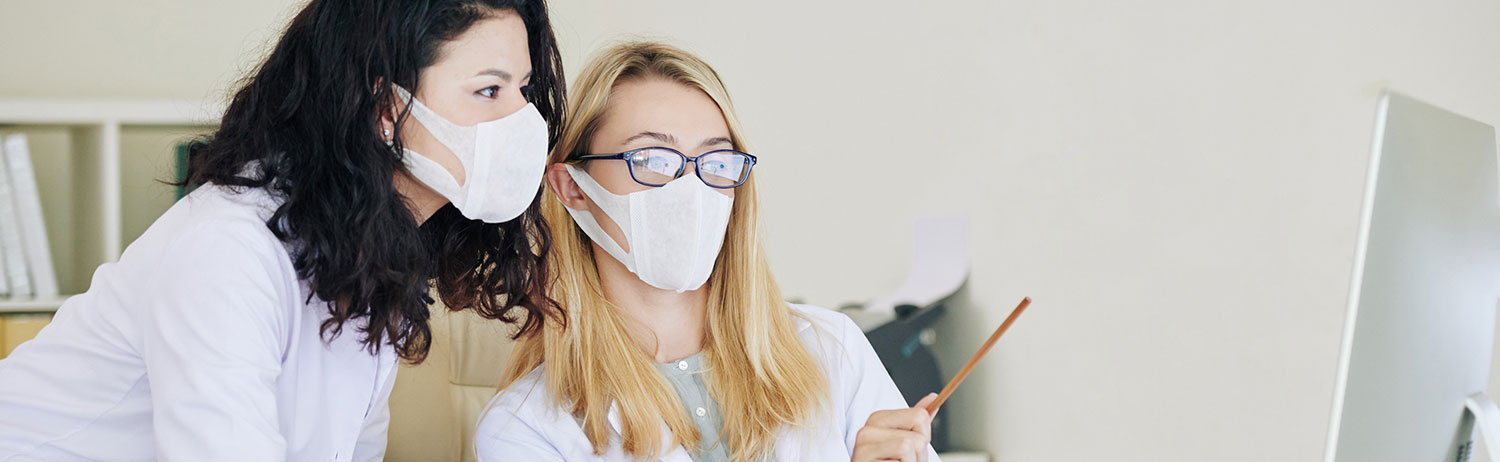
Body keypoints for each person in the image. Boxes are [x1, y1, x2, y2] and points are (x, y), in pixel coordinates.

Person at [0, 0, 565, 460]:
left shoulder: (374, 253)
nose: (522, 121)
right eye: (489, 90)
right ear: (385, 109)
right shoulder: (228, 250)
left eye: (524, 89)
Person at [474, 41, 941, 462]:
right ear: (572, 186)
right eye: (653, 160)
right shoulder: (524, 429)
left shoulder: (832, 350)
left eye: (717, 162)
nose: (691, 189)